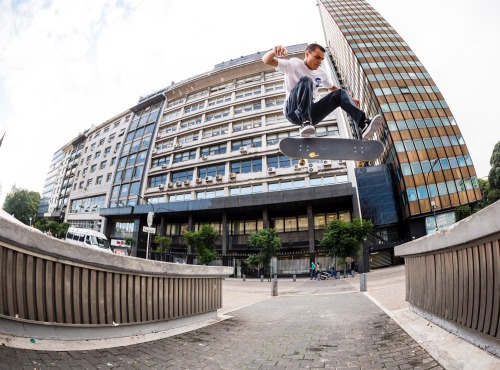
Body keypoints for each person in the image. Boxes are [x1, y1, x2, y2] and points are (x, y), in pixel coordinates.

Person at [262, 43, 382, 138]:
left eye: (322, 59)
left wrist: (349, 98)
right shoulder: (293, 64)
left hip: (311, 114)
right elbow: (266, 60)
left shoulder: (322, 73)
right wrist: (274, 51)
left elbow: (332, 89)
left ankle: (363, 123)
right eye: (317, 57)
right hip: (292, 111)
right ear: (307, 54)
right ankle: (305, 120)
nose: (319, 62)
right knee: (306, 80)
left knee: (340, 93)